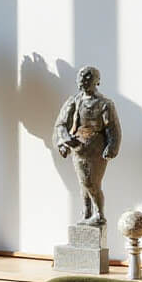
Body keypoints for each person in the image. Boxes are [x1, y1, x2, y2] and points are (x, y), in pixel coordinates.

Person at [53, 64, 121, 226]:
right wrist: (63, 142)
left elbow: (113, 129)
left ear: (97, 81)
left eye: (88, 78)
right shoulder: (74, 101)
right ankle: (87, 212)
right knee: (83, 183)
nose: (83, 81)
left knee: (91, 183)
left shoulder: (105, 104)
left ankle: (99, 214)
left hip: (96, 149)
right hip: (78, 148)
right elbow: (61, 124)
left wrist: (112, 147)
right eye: (81, 78)